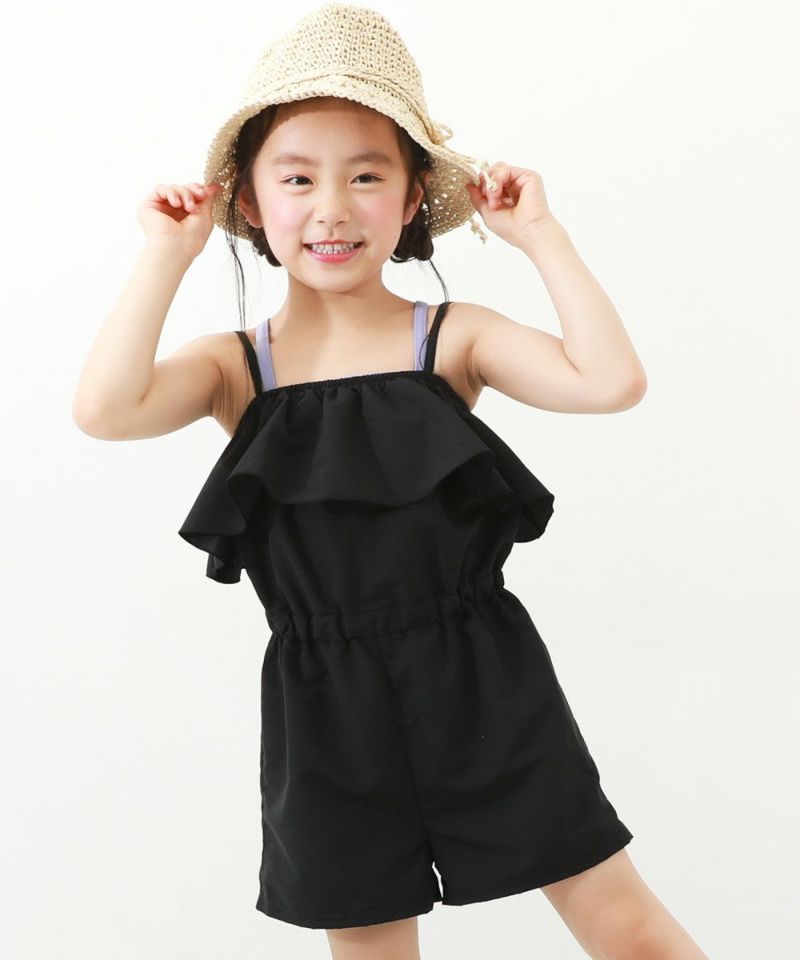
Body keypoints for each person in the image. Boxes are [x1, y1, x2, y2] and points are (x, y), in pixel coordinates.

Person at [72, 3, 710, 958]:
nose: (331, 207)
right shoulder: (237, 365)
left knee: (618, 920)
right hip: (322, 701)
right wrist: (166, 255)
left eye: (366, 176)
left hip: (485, 679)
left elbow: (610, 381)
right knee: (371, 947)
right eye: (297, 178)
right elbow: (105, 409)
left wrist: (541, 236)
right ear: (250, 203)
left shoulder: (450, 337)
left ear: (413, 199)